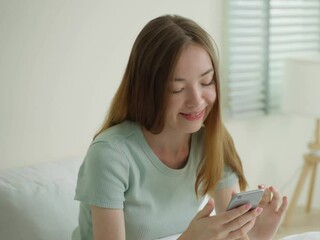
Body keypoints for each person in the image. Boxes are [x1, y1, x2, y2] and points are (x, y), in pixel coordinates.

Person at [72, 14, 288, 240]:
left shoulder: (213, 141)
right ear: (147, 92)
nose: (196, 100)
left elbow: (231, 235)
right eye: (177, 89)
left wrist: (257, 235)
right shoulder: (110, 154)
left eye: (206, 82)